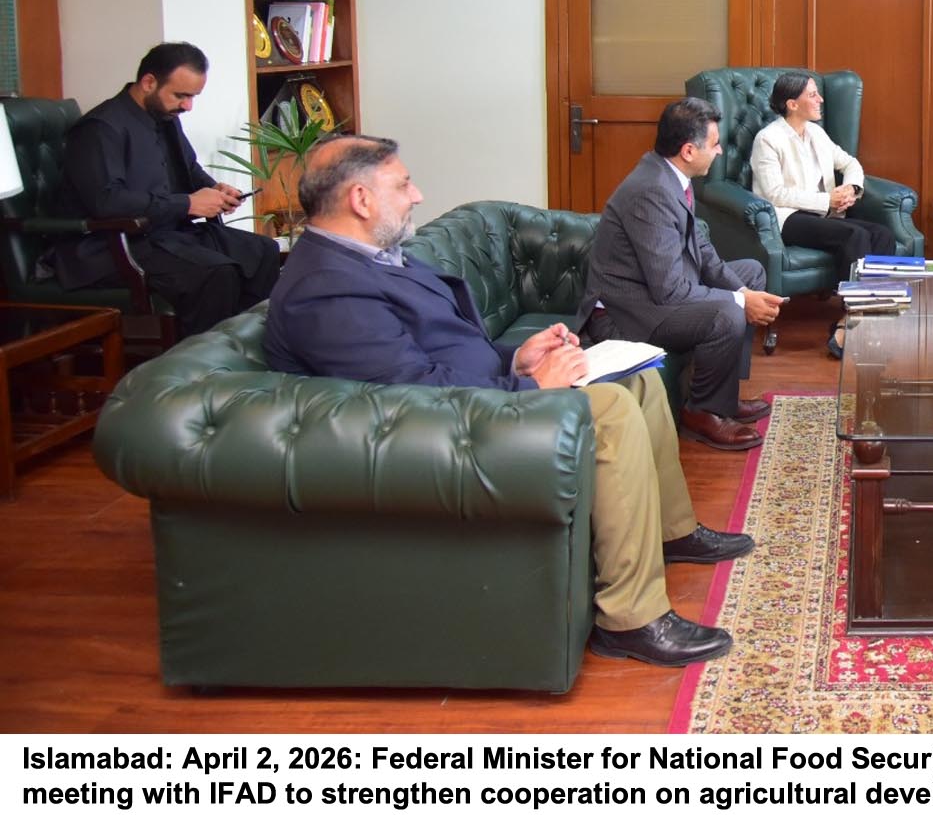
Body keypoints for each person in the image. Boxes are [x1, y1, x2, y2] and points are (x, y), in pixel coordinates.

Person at [264, 134, 753, 668]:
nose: (417, 195)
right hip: (443, 433)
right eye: (403, 185)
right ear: (360, 199)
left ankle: (671, 532)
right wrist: (532, 388)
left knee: (639, 381)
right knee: (611, 409)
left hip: (475, 395)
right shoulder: (326, 288)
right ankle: (632, 619)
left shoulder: (370, 259)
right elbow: (407, 395)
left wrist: (517, 358)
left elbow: (445, 352)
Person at [575, 98, 784, 452]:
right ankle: (701, 412)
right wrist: (739, 301)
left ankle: (723, 397)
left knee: (751, 273)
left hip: (656, 294)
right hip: (626, 315)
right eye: (714, 144)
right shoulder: (651, 191)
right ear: (688, 150)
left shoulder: (673, 177)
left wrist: (744, 292)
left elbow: (702, 252)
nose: (719, 151)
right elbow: (670, 290)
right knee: (728, 312)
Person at [52, 42, 280, 338]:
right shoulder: (100, 128)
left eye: (192, 97)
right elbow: (106, 202)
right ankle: (202, 362)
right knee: (215, 273)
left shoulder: (165, 118)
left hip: (168, 235)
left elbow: (189, 168)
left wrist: (214, 190)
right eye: (181, 95)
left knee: (263, 251)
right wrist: (188, 204)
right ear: (149, 82)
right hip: (110, 246)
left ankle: (248, 348)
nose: (187, 106)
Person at [749, 71, 897, 358]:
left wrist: (851, 188)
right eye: (812, 94)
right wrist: (827, 199)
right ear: (792, 104)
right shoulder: (767, 139)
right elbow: (775, 193)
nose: (821, 99)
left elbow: (850, 163)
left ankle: (862, 317)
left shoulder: (816, 132)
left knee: (883, 235)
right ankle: (851, 322)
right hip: (789, 218)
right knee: (854, 235)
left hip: (824, 214)